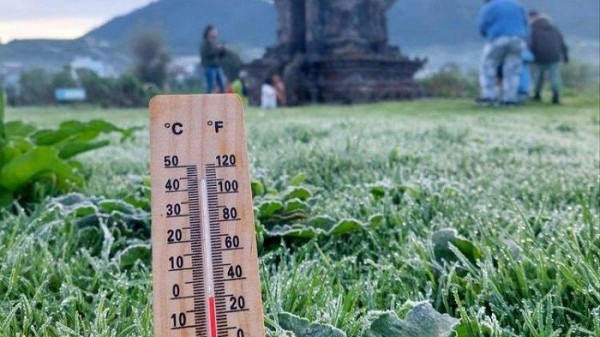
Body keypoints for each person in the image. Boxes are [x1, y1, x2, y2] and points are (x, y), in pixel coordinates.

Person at [476, 0, 529, 106]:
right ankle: (509, 99)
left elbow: (481, 26)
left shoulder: (489, 7)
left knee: (488, 66)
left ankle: (489, 96)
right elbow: (526, 24)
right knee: (512, 70)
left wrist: (487, 35)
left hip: (498, 38)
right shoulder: (517, 5)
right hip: (518, 39)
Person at [529, 11, 569, 104]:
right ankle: (556, 95)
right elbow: (561, 42)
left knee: (539, 76)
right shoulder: (554, 28)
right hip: (554, 55)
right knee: (554, 76)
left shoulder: (533, 28)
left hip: (540, 55)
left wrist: (532, 56)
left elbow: (532, 44)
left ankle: (537, 95)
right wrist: (565, 56)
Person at [200, 25, 226, 94]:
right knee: (210, 87)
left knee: (222, 86)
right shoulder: (205, 43)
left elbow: (219, 56)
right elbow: (208, 54)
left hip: (217, 67)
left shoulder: (215, 43)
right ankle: (207, 102)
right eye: (214, 31)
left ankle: (222, 102)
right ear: (209, 33)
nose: (215, 33)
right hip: (209, 67)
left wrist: (222, 51)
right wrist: (217, 50)